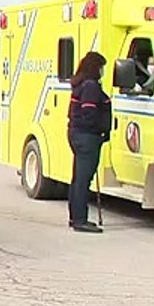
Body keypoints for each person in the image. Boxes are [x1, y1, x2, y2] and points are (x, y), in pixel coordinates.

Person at [67, 51, 111, 233]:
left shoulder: (81, 84)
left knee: (78, 178)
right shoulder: (91, 86)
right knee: (83, 179)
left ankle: (75, 216)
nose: (102, 71)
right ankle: (80, 220)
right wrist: (99, 130)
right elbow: (89, 111)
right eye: (101, 67)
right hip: (87, 136)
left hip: (77, 133)